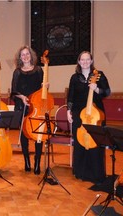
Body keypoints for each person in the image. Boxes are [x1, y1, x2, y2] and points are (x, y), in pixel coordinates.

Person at [67, 51, 111, 184]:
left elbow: (107, 92)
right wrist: (69, 111)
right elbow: (71, 96)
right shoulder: (75, 77)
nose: (85, 62)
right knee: (80, 142)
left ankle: (95, 173)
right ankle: (80, 171)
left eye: (87, 59)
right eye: (82, 60)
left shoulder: (99, 75)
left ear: (91, 61)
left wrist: (97, 89)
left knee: (96, 142)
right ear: (79, 62)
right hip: (79, 115)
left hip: (95, 115)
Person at [11, 45, 47, 175]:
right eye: (23, 54)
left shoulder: (38, 70)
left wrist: (45, 87)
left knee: (39, 134)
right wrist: (21, 97)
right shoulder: (17, 72)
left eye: (27, 54)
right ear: (20, 57)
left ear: (31, 55)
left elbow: (43, 91)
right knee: (24, 135)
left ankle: (37, 162)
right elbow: (13, 91)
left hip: (36, 107)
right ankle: (27, 161)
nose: (25, 56)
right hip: (22, 106)